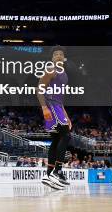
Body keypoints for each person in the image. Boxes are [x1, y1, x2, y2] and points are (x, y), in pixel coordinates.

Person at [37, 46, 71, 190]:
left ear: (63, 58)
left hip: (58, 106)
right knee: (66, 136)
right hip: (51, 105)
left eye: (60, 54)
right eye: (55, 54)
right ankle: (57, 172)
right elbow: (39, 90)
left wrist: (67, 116)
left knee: (57, 139)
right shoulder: (51, 70)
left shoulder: (64, 75)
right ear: (52, 58)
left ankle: (48, 174)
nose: (58, 56)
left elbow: (61, 98)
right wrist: (44, 107)